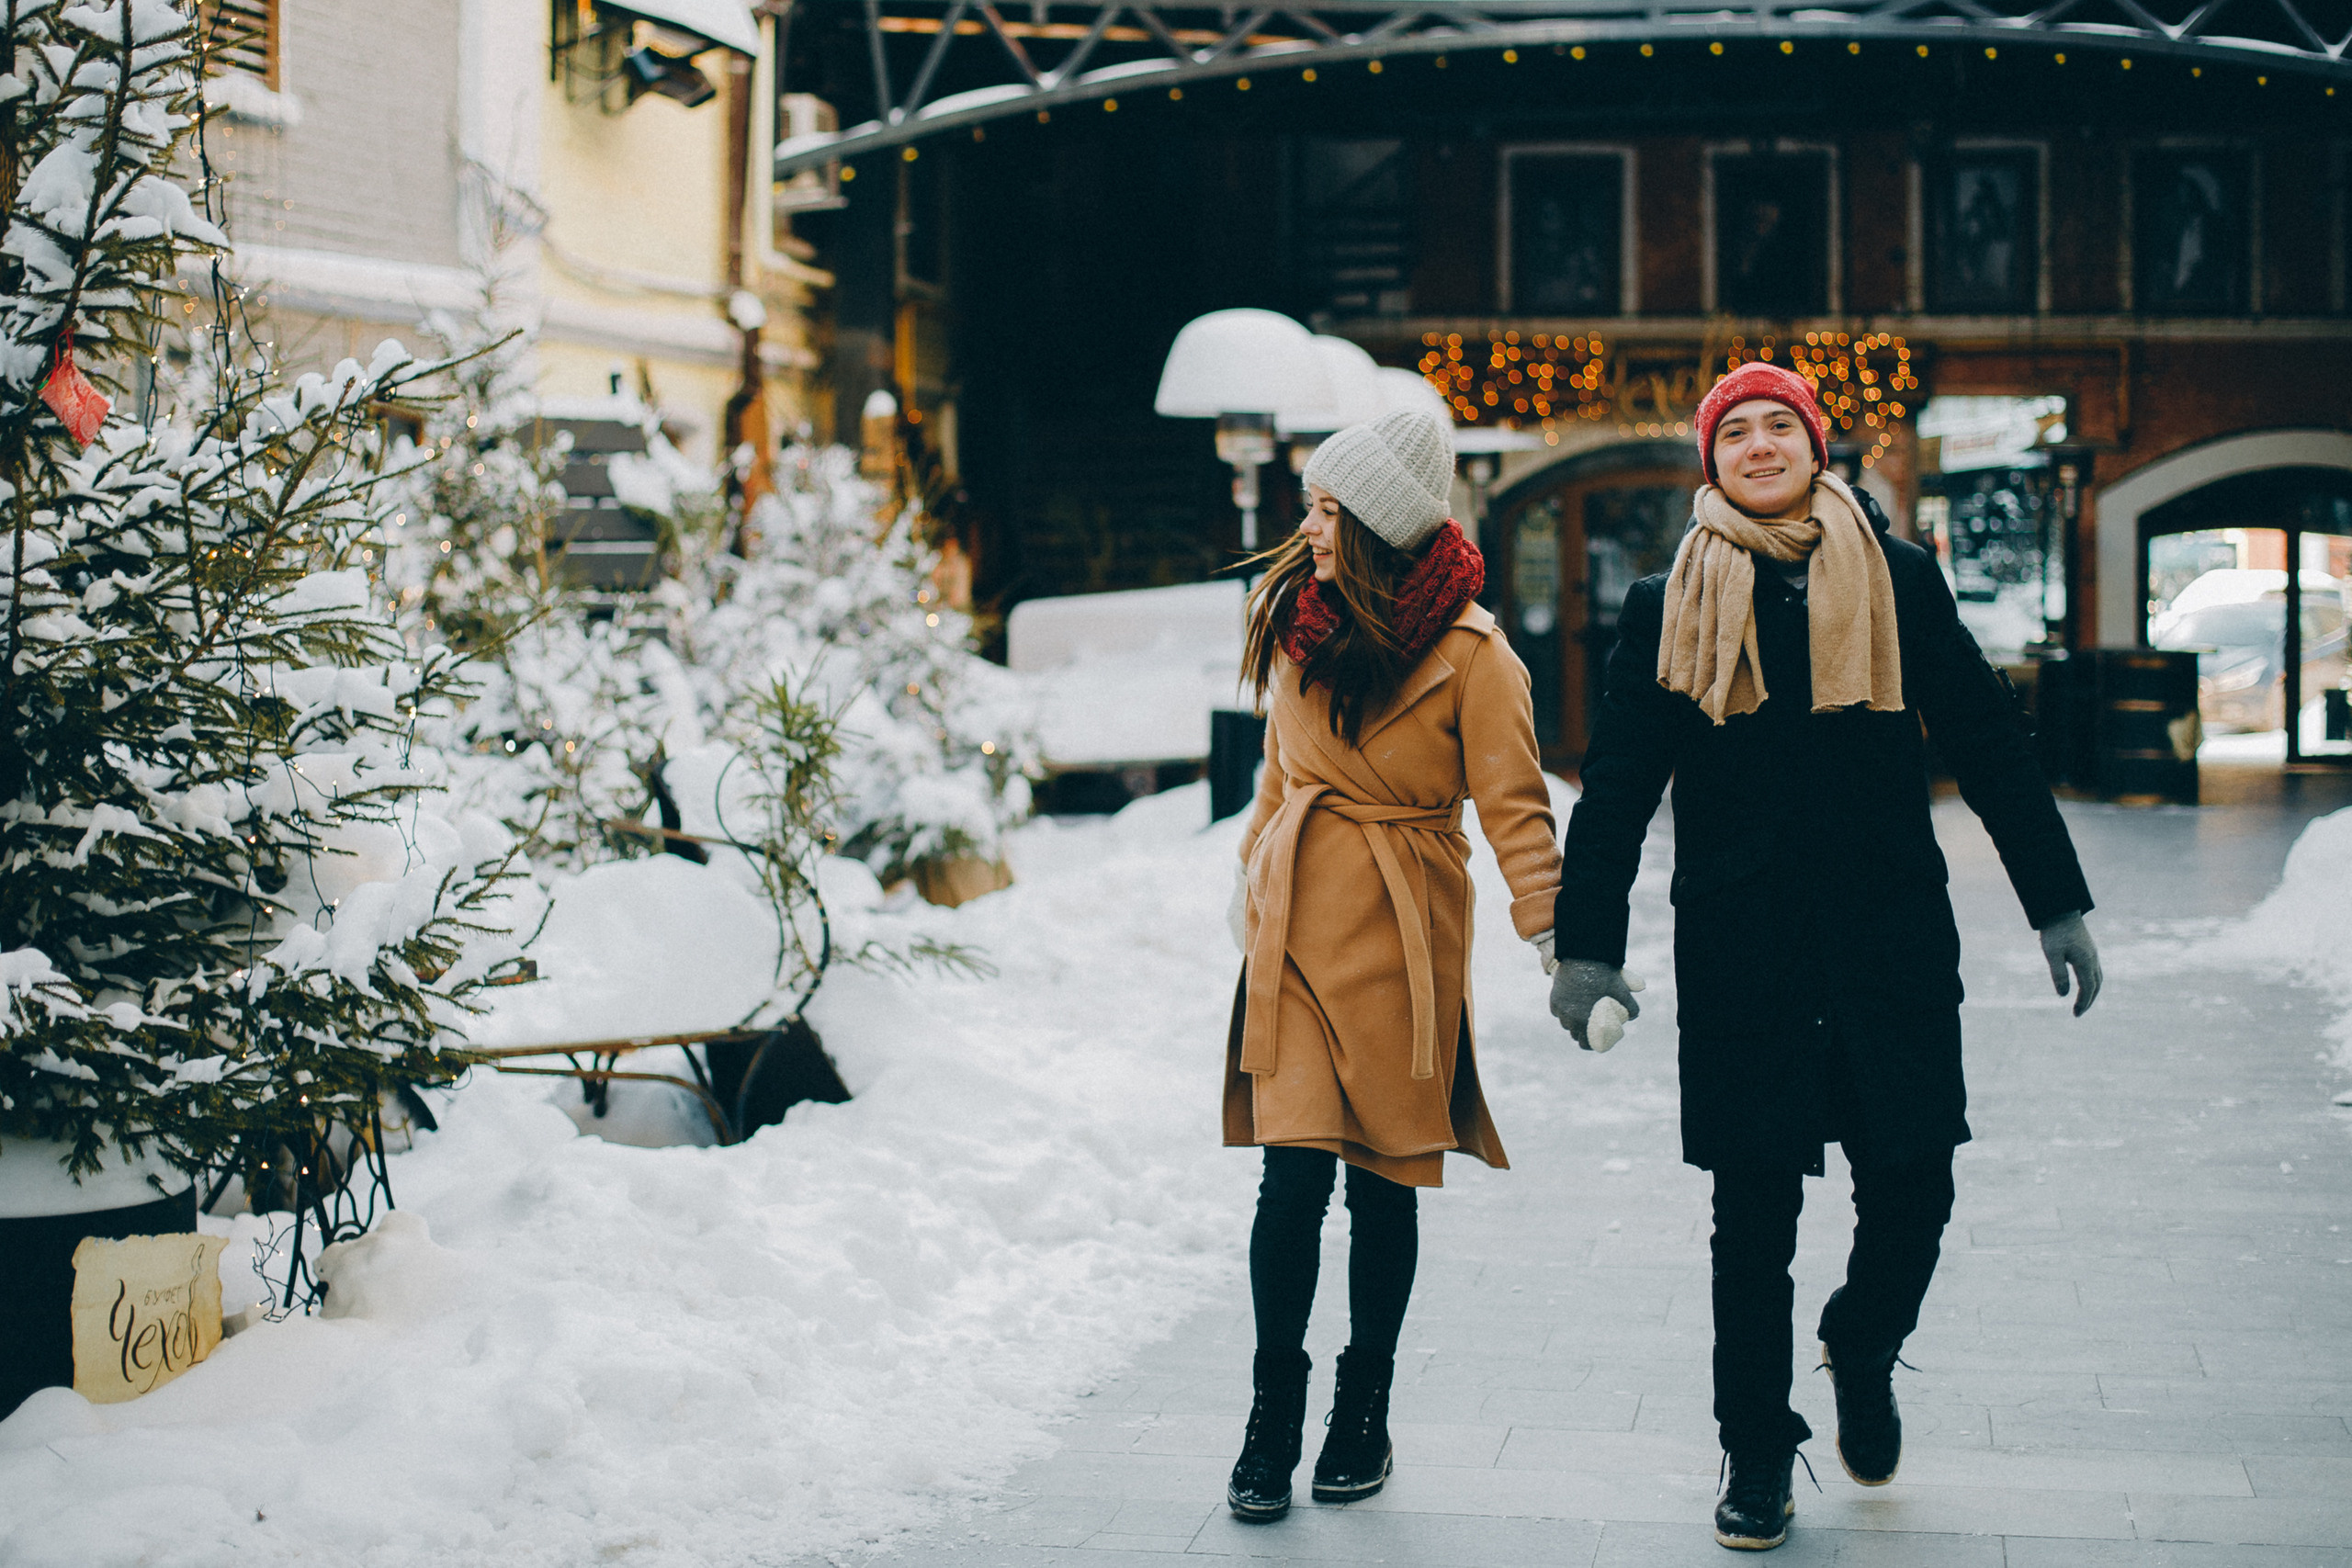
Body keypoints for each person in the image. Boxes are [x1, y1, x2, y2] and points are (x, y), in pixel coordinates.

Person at [1546, 363, 2103, 1551]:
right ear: (1711, 461)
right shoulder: (1666, 601)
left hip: (1889, 937)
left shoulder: (1898, 580)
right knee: (1751, 1215)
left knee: (1917, 1180)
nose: (1757, 443)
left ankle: (1860, 1334)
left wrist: (2055, 901)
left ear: (1816, 445)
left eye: (1778, 425)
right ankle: (1755, 1446)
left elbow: (1990, 744)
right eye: (1733, 430)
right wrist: (1586, 946)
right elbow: (1619, 790)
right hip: (1746, 950)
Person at [1222, 409, 1562, 1521]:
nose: (1309, 528)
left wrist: (1554, 931)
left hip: (1406, 941)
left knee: (1381, 1185)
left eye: (1328, 510)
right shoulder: (1296, 630)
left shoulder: (1476, 658)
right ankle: (1274, 1410)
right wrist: (1251, 875)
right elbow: (1278, 778)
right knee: (1290, 1177)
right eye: (1311, 507)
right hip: (1296, 935)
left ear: (1374, 524)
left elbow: (1517, 808)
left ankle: (1361, 1407)